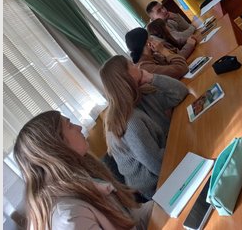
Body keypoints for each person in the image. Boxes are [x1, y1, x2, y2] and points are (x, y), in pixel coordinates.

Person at [13, 110, 153, 230]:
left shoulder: (84, 179)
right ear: (56, 146)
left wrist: (161, 202)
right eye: (70, 125)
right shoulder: (69, 215)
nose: (79, 127)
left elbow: (131, 219)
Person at [100, 55, 196, 200]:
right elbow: (159, 166)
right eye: (132, 65)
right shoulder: (131, 122)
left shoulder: (142, 95)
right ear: (126, 76)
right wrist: (186, 144)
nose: (137, 65)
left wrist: (151, 78)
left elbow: (180, 93)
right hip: (158, 186)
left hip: (171, 159)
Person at [124, 27, 189, 79]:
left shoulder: (154, 56)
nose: (154, 39)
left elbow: (180, 59)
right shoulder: (145, 68)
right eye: (151, 38)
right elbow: (182, 68)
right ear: (148, 43)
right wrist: (163, 50)